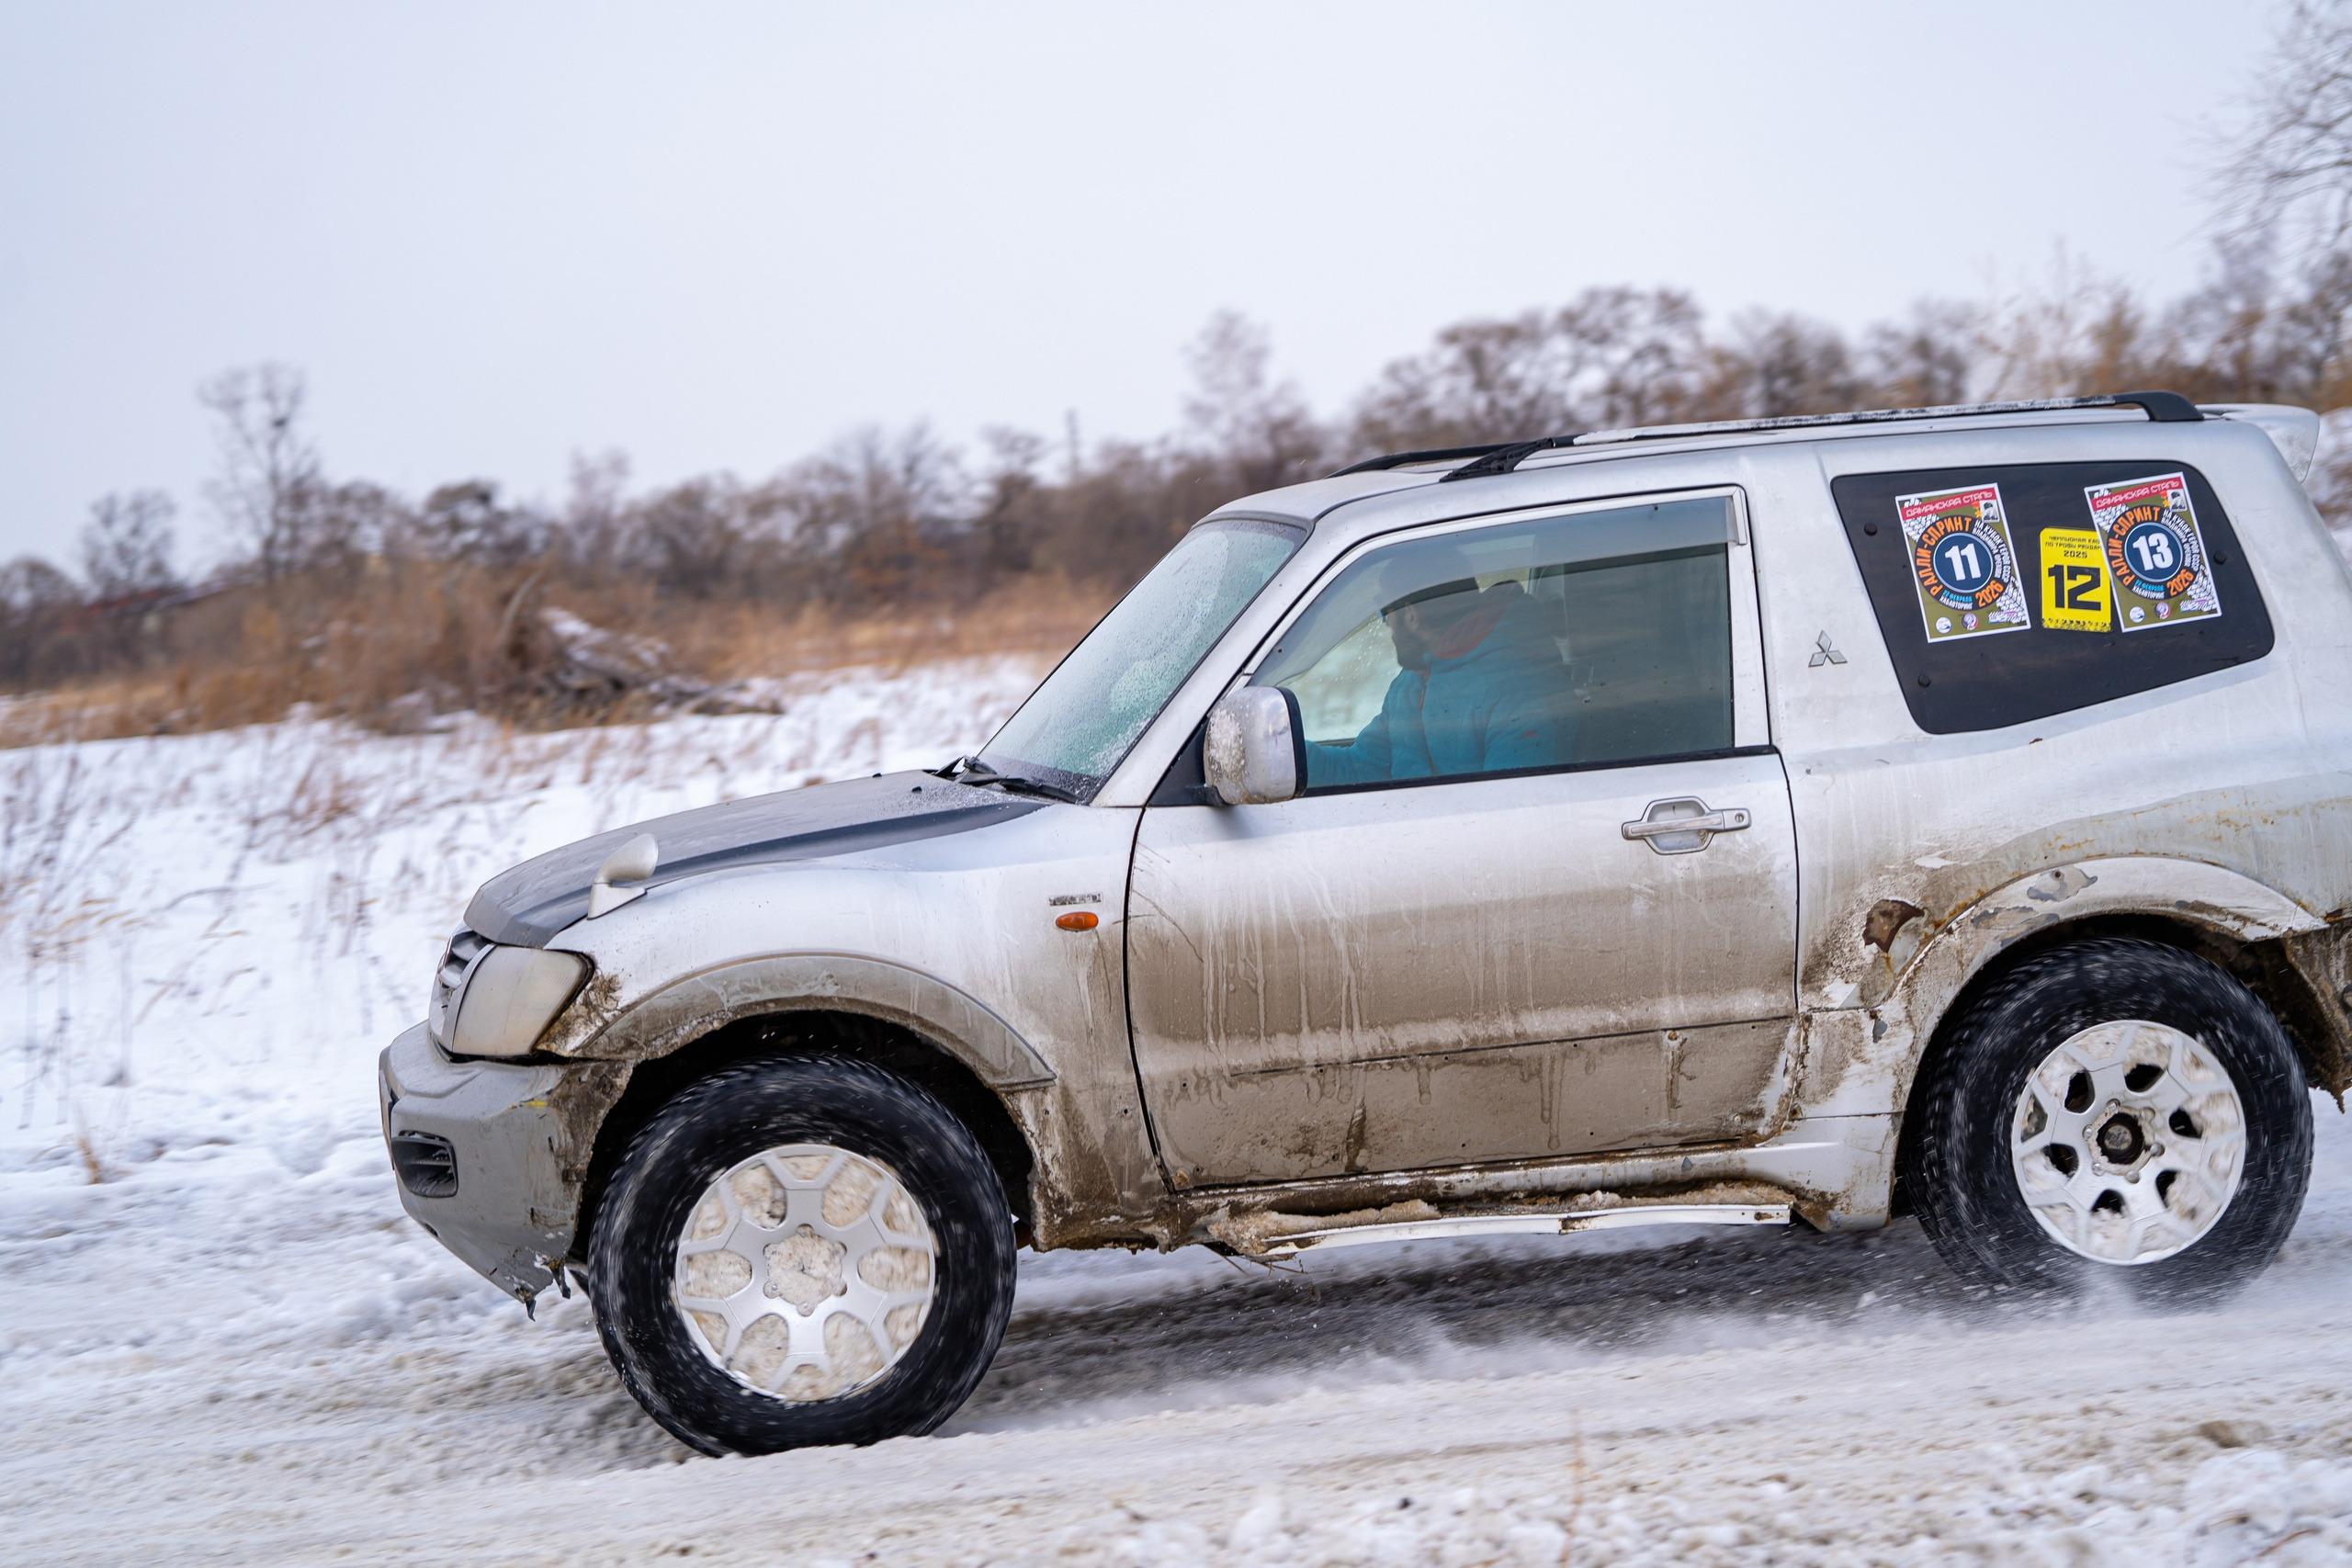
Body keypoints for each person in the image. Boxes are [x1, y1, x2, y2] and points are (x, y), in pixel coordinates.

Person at [1300, 554, 1572, 788]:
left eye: (1385, 611)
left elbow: (1508, 817)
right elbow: (1362, 768)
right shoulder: (1412, 682)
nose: (1385, 624)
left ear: (1411, 615)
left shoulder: (1517, 691)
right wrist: (1291, 759)